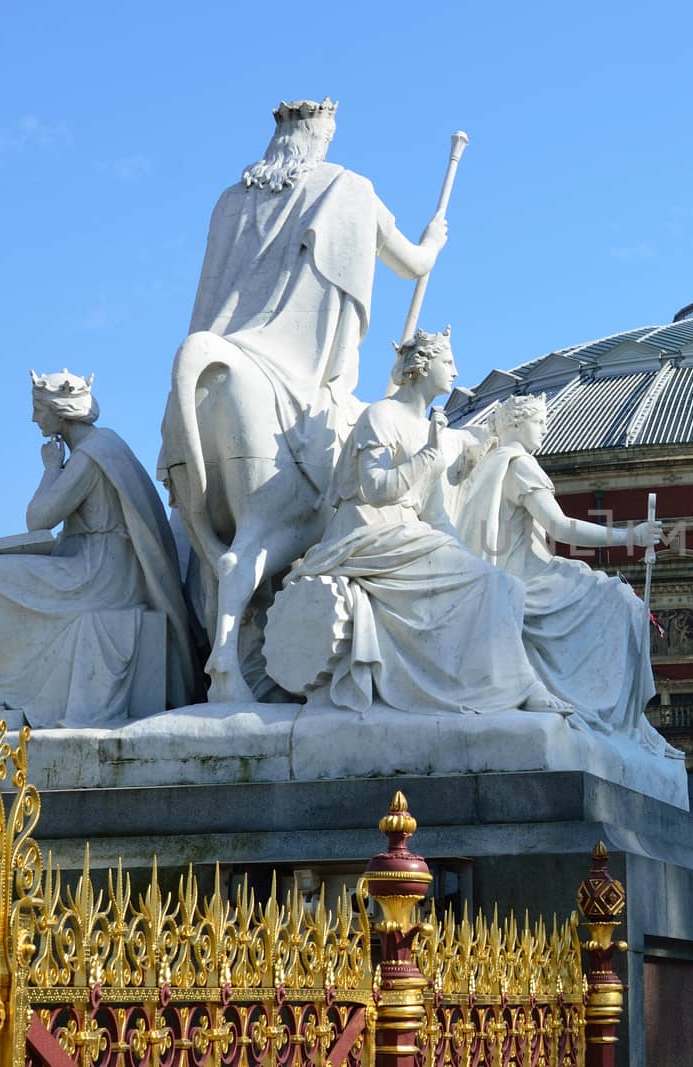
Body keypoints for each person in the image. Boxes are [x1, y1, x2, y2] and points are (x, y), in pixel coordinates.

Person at [158, 99, 452, 702]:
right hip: (300, 376)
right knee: (331, 490)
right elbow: (411, 264)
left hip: (213, 366)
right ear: (322, 138)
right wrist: (433, 242)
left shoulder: (229, 201)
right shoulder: (348, 186)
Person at [269, 330, 568, 715]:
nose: (456, 372)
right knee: (489, 584)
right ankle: (520, 692)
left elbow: (436, 514)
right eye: (447, 363)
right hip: (366, 534)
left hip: (408, 536)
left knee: (503, 584)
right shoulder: (379, 416)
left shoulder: (431, 429)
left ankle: (483, 689)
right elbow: (375, 489)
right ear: (422, 367)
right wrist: (427, 456)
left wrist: (467, 559)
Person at [0, 371, 193, 729]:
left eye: (39, 409)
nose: (34, 418)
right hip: (88, 564)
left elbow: (38, 518)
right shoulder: (101, 447)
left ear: (60, 411)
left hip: (100, 576)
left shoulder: (93, 454)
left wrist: (50, 468)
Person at [455, 394, 679, 756]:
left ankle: (628, 723)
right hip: (529, 580)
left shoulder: (491, 465)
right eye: (538, 422)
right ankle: (622, 722)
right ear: (514, 423)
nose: (544, 428)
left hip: (509, 577)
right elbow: (560, 528)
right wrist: (630, 537)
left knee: (613, 596)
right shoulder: (519, 464)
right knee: (621, 602)